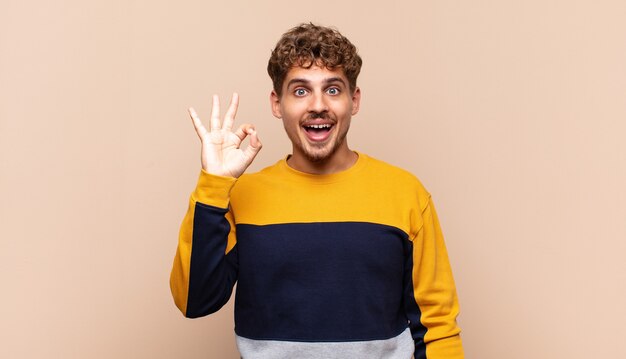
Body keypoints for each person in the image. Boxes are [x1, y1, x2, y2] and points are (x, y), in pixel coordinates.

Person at [170, 23, 464, 359]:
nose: (318, 105)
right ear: (276, 103)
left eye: (333, 90)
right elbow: (194, 301)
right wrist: (213, 184)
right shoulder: (240, 195)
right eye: (300, 91)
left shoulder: (405, 193)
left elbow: (438, 328)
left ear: (354, 100)